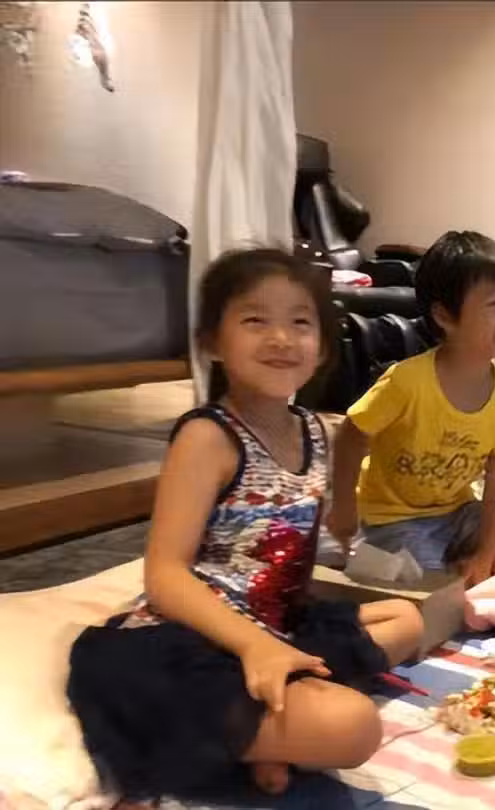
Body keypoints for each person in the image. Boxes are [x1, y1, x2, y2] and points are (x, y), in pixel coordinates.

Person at [67, 249, 425, 800]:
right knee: (356, 726)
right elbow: (164, 575)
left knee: (406, 619)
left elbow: (293, 554)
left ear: (322, 347)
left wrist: (285, 630)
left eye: (300, 322)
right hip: (193, 638)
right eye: (255, 320)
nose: (281, 338)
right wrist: (255, 647)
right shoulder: (208, 437)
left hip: (277, 624)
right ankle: (262, 729)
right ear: (212, 342)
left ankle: (265, 730)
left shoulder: (315, 430)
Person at [327, 231, 495, 588]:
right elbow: (351, 435)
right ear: (444, 316)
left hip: (459, 513)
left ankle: (460, 567)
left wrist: (486, 556)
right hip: (391, 518)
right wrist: (343, 506)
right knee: (423, 585)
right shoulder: (407, 382)